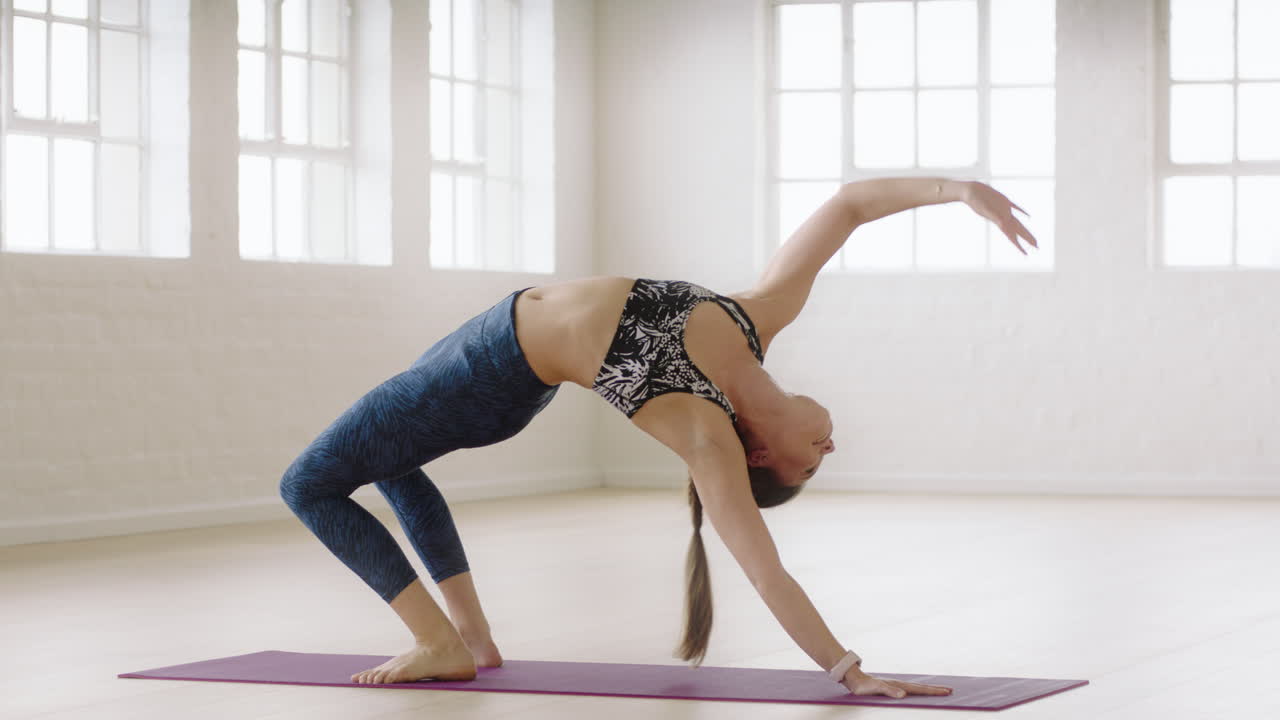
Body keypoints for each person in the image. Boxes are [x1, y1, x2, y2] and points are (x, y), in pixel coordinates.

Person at [279, 177, 1037, 698]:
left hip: (484, 373)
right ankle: (469, 641)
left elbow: (768, 574)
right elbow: (847, 207)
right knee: (392, 461)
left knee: (306, 484)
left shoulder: (702, 430)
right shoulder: (758, 315)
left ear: (760, 454)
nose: (828, 451)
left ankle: (437, 642)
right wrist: (958, 191)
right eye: (823, 457)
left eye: (812, 464)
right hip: (489, 348)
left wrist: (848, 669)